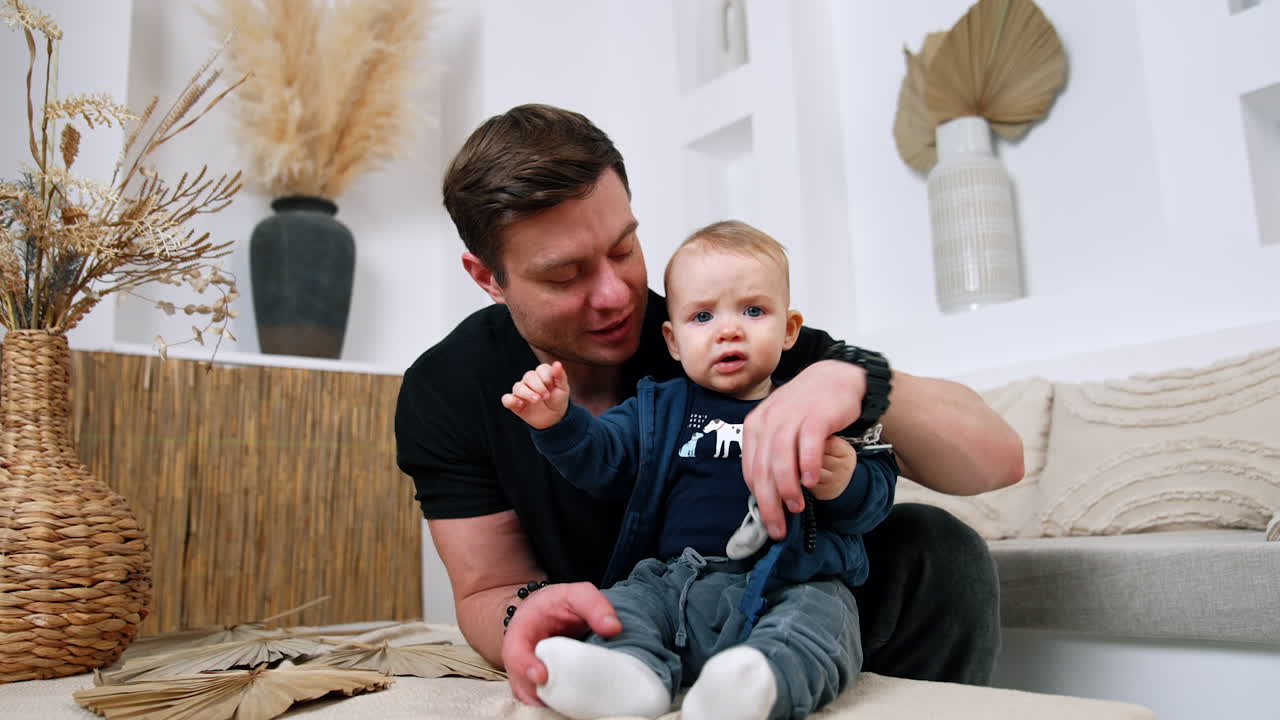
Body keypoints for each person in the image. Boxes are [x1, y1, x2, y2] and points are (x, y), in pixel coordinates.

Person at [395, 103, 1024, 708]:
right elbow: (489, 587)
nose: (617, 295)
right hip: (629, 616)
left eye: (623, 250)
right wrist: (526, 613)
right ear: (487, 277)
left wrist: (855, 379)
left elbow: (995, 461)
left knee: (937, 548)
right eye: (566, 275)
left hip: (784, 600)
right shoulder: (449, 388)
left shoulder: (719, 334)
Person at [500, 221, 899, 720]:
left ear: (790, 329)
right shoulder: (659, 408)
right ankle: (626, 677)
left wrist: (847, 481)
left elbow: (877, 497)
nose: (728, 329)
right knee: (624, 607)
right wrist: (559, 422)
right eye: (702, 316)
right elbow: (603, 459)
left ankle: (754, 685)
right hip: (676, 578)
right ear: (672, 340)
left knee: (822, 622)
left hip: (790, 580)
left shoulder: (814, 409)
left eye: (753, 311)